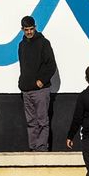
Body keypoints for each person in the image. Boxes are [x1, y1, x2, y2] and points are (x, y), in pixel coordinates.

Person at [17, 15, 57, 151]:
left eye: (31, 29)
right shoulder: (21, 45)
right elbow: (23, 66)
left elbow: (51, 65)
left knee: (42, 121)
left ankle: (41, 149)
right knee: (31, 122)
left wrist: (41, 81)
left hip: (40, 90)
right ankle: (33, 149)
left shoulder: (44, 43)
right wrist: (21, 82)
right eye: (26, 29)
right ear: (22, 29)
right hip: (26, 90)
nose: (29, 32)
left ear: (35, 28)